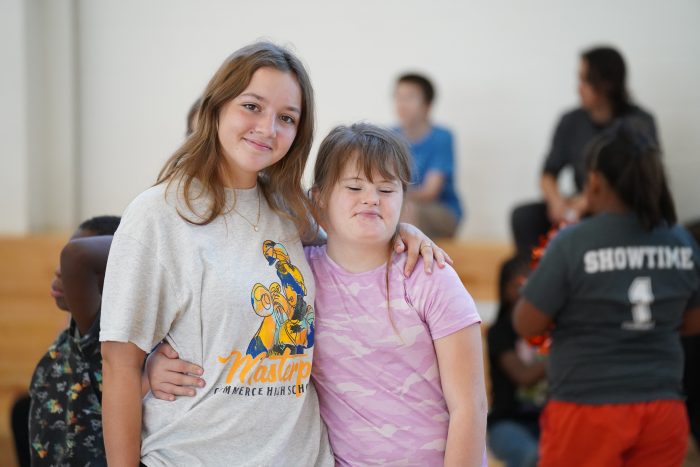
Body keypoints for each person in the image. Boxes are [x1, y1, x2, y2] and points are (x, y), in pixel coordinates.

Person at [98, 42, 447, 467]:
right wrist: (150, 367)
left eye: (286, 118)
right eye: (252, 106)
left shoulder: (292, 210)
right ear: (217, 107)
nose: (268, 128)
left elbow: (354, 233)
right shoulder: (156, 214)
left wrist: (403, 230)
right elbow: (118, 366)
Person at [149, 123, 488, 466]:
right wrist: (155, 363)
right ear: (319, 198)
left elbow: (470, 406)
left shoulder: (430, 274)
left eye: (387, 190)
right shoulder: (299, 275)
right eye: (354, 186)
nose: (371, 198)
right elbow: (228, 316)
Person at [513, 120, 700, 466]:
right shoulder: (679, 240)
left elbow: (527, 323)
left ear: (594, 181)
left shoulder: (573, 242)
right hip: (662, 406)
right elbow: (692, 322)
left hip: (586, 406)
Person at [511, 46, 658, 256]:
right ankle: (536, 279)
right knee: (525, 216)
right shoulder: (571, 121)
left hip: (618, 210)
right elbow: (548, 173)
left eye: (584, 80)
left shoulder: (639, 123)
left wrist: (587, 202)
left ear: (606, 84)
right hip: (580, 205)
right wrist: (557, 201)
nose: (578, 88)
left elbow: (641, 184)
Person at [27, 215, 121, 467]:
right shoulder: (70, 337)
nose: (61, 270)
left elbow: (76, 256)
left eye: (70, 268)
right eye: (61, 260)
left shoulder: (103, 336)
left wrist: (146, 240)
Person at [487, 256, 546, 467]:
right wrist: (563, 354)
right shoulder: (500, 332)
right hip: (506, 423)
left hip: (547, 420)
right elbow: (523, 376)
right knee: (531, 456)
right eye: (518, 284)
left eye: (531, 283)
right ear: (504, 290)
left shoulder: (551, 329)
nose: (525, 290)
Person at [394, 73, 463, 238]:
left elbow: (430, 191)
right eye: (398, 97)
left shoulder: (442, 137)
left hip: (441, 210)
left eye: (409, 98)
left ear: (428, 105)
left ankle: (406, 262)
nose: (402, 104)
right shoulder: (389, 136)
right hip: (399, 204)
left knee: (407, 209)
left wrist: (387, 193)